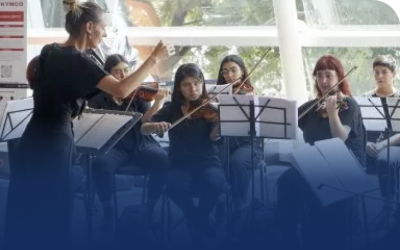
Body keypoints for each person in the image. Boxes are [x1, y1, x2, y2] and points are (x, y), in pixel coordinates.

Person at [3, 1, 172, 250]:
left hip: (33, 138)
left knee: (29, 206)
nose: (104, 33)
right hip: (55, 143)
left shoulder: (51, 51)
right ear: (89, 26)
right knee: (54, 210)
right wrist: (151, 60)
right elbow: (122, 89)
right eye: (103, 28)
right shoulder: (79, 61)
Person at [275, 55, 366, 250]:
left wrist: (333, 112)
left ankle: (322, 236)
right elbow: (285, 121)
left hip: (344, 164)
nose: (323, 81)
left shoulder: (348, 104)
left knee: (320, 193)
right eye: (319, 76)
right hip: (316, 163)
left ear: (339, 76)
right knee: (286, 181)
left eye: (329, 76)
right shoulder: (311, 107)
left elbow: (339, 138)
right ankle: (288, 235)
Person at [141, 63, 226, 248]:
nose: (193, 89)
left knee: (214, 184)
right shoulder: (172, 108)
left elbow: (213, 137)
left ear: (202, 83)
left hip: (209, 162)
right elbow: (144, 128)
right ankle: (199, 220)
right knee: (173, 187)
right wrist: (155, 126)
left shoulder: (210, 109)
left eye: (197, 83)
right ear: (179, 87)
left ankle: (196, 223)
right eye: (186, 85)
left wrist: (221, 125)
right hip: (180, 164)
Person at [88, 54, 170, 231]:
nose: (124, 76)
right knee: (99, 164)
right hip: (114, 147)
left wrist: (158, 103)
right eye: (117, 72)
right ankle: (109, 210)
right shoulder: (98, 99)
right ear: (108, 76)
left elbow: (146, 122)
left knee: (163, 160)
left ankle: (149, 208)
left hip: (141, 143)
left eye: (126, 70)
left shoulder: (139, 94)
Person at [213, 55, 263, 223]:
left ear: (242, 71)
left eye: (234, 70)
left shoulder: (249, 94)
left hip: (248, 144)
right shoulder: (217, 93)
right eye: (225, 72)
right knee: (212, 161)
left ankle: (238, 206)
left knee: (236, 162)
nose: (229, 75)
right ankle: (219, 199)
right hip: (224, 141)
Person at [363, 55, 400, 228]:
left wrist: (382, 144)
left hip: (395, 146)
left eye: (384, 72)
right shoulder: (365, 99)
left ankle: (388, 208)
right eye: (376, 72)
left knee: (385, 159)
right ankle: (350, 211)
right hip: (371, 146)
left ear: (394, 73)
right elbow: (358, 130)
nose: (379, 76)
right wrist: (365, 144)